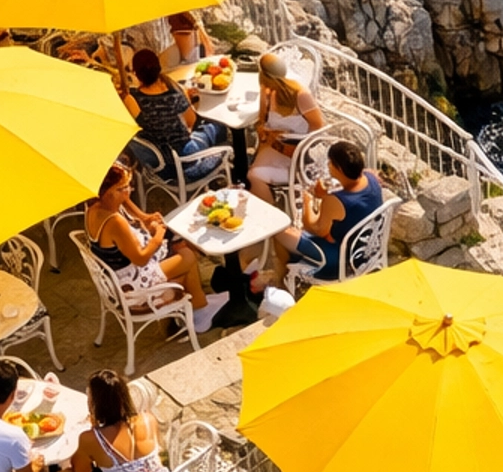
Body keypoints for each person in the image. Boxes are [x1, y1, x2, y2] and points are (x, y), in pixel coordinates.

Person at [84, 163, 226, 333]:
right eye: (123, 188)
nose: (129, 191)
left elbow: (131, 209)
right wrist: (158, 234)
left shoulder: (96, 207)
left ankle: (197, 303)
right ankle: (200, 309)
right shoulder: (114, 222)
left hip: (119, 273)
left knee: (181, 244)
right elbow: (141, 258)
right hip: (133, 283)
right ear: (107, 193)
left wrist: (146, 218)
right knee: (187, 256)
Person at [252, 141, 382, 291]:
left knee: (278, 230)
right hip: (365, 248)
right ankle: (285, 272)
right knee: (293, 233)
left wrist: (309, 198)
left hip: (337, 257)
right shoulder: (371, 178)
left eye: (330, 162)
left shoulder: (337, 201)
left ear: (338, 168)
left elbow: (314, 228)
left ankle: (281, 281)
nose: (328, 165)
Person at [121, 48, 227, 186]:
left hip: (162, 166)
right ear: (159, 68)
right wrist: (187, 99)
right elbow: (191, 122)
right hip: (187, 159)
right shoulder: (174, 92)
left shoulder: (132, 99)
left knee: (208, 130)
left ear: (136, 74)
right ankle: (222, 163)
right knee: (216, 127)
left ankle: (211, 165)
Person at [246, 52, 322, 206]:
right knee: (251, 173)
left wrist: (296, 140)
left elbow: (320, 127)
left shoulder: (300, 95)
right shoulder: (266, 92)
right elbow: (262, 122)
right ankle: (269, 208)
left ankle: (271, 218)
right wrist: (268, 132)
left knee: (253, 176)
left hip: (298, 153)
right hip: (274, 146)